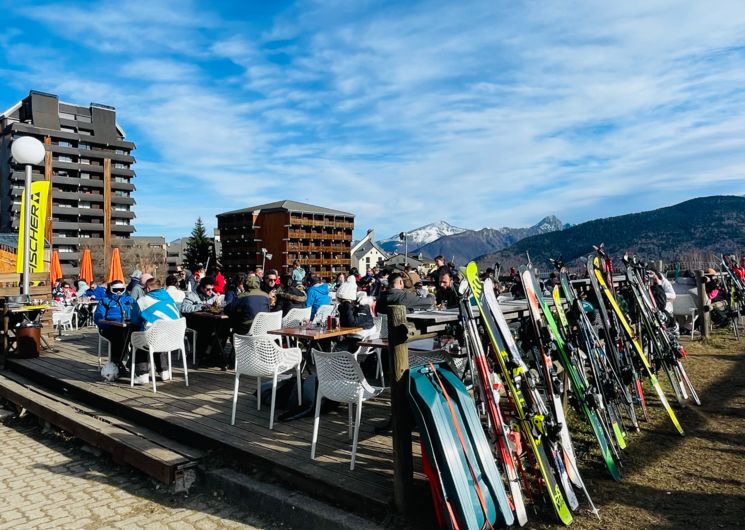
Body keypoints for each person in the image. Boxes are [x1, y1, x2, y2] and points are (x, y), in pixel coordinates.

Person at [130, 278, 181, 381]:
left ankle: (142, 374)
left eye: (144, 288)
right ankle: (164, 371)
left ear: (148, 289)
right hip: (174, 339)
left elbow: (134, 320)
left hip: (154, 339)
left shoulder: (143, 301)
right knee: (158, 333)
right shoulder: (169, 298)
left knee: (139, 338)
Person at [94, 281, 141, 383]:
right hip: (110, 327)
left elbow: (137, 312)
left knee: (137, 336)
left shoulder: (129, 299)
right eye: (116, 290)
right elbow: (98, 317)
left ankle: (133, 365)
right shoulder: (105, 300)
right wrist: (106, 324)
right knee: (119, 335)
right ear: (111, 289)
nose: (119, 292)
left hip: (127, 326)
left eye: (121, 289)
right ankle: (116, 363)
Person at [335, 278, 375, 351]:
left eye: (342, 300)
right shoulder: (346, 307)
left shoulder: (363, 306)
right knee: (325, 342)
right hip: (352, 337)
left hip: (362, 340)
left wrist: (347, 304)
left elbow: (352, 323)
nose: (341, 302)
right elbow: (343, 323)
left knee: (336, 349)